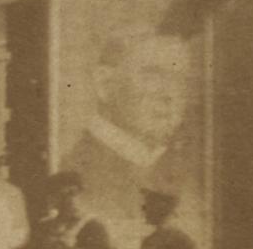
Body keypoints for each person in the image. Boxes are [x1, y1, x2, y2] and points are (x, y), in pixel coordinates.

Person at [61, 26, 200, 227]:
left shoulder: (175, 167)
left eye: (180, 80)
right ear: (105, 83)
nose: (169, 94)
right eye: (152, 76)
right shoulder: (78, 175)